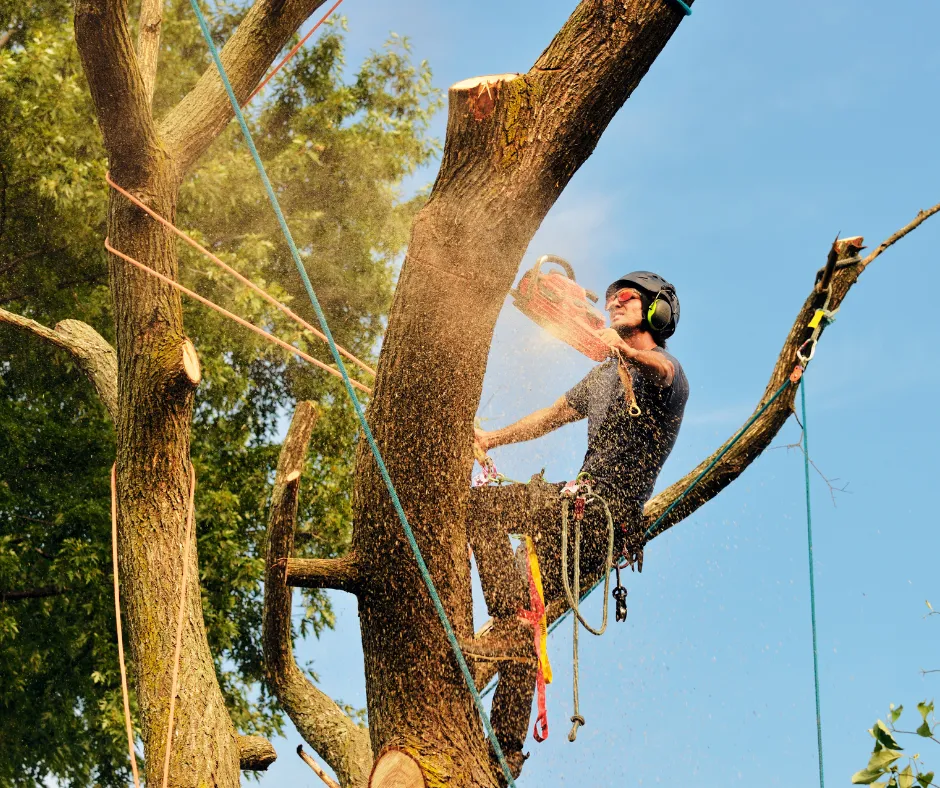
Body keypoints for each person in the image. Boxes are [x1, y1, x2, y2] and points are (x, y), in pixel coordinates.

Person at [465, 271, 689, 779]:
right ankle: (505, 749)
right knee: (522, 619)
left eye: (627, 298)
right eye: (610, 299)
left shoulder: (664, 373)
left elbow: (661, 368)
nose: (614, 303)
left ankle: (509, 617)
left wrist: (626, 351)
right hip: (568, 512)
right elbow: (550, 415)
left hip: (600, 521)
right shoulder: (602, 375)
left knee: (481, 510)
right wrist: (491, 438)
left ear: (658, 311)